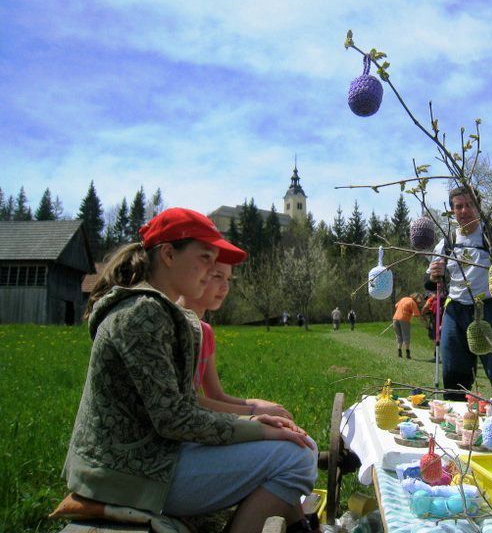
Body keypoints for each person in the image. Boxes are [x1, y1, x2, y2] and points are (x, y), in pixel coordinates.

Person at [65, 208, 318, 533]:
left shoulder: (156, 310)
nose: (212, 270)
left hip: (141, 461)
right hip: (126, 475)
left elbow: (181, 409)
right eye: (204, 258)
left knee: (294, 447)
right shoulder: (142, 314)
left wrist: (252, 421)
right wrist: (258, 428)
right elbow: (175, 418)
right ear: (168, 254)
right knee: (297, 457)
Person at [427, 186, 492, 412]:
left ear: (478, 207)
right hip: (455, 311)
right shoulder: (446, 241)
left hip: (489, 307)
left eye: (470, 205)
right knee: (453, 372)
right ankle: (458, 424)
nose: (464, 211)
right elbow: (430, 284)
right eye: (459, 206)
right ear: (452, 211)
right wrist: (434, 274)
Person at [178, 262, 292, 419]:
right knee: (297, 443)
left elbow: (215, 395)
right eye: (217, 276)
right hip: (185, 431)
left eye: (229, 279)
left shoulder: (205, 331)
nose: (225, 287)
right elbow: (183, 401)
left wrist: (256, 404)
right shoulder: (172, 326)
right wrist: (252, 412)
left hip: (198, 423)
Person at [392, 293, 424, 359]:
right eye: (419, 300)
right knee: (406, 336)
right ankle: (407, 353)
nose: (420, 302)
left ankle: (399, 352)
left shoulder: (403, 298)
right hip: (404, 320)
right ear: (416, 298)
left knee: (398, 336)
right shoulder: (412, 302)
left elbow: (396, 305)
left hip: (395, 318)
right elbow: (416, 314)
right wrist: (423, 322)